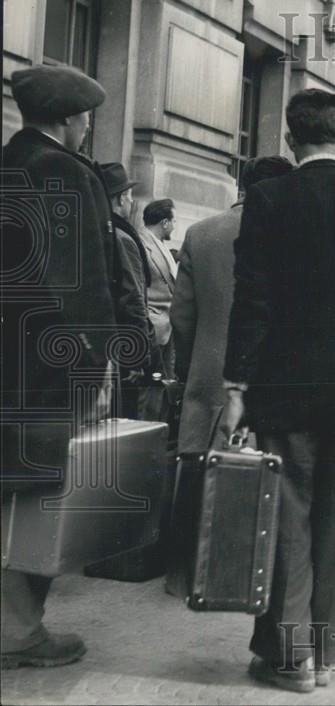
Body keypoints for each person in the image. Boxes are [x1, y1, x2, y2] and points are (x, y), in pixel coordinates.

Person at [219, 89, 335, 692]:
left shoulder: (270, 201)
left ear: (289, 137)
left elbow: (252, 303)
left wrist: (235, 388)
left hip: (286, 393)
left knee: (290, 521)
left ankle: (291, 658)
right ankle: (327, 655)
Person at [1, 64, 116, 669]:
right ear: (71, 120)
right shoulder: (67, 174)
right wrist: (96, 365)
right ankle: (19, 631)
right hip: (48, 368)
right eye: (86, 118)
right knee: (42, 493)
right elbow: (83, 285)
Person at [166, 156, 293, 593]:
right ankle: (250, 576)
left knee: (198, 472)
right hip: (268, 376)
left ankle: (185, 577)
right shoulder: (291, 236)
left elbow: (181, 316)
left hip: (209, 373)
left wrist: (191, 367)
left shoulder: (201, 233)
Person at [99, 161, 159, 417]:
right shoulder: (123, 239)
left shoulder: (97, 231)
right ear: (122, 198)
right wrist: (137, 354)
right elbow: (133, 299)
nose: (132, 200)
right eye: (129, 194)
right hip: (123, 352)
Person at [140, 198, 178, 380]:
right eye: (174, 221)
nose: (175, 226)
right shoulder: (141, 244)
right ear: (165, 223)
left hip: (167, 329)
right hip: (154, 330)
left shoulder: (161, 245)